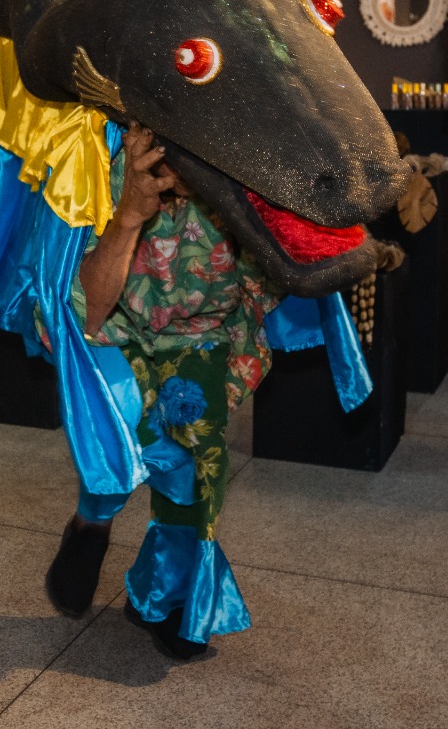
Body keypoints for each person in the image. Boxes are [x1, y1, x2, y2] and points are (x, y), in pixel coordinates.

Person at [42, 123, 280, 659]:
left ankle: (162, 593)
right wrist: (129, 214)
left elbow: (266, 282)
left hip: (198, 332)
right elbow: (86, 312)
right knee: (121, 431)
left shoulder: (243, 167)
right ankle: (92, 521)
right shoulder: (100, 162)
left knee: (193, 453)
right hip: (111, 329)